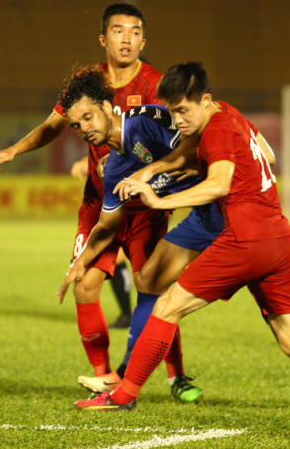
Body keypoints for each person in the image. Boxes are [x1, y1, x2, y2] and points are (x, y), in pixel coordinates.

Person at [74, 62, 290, 416]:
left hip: (244, 239)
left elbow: (219, 183)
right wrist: (157, 168)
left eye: (182, 111)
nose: (176, 120)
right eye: (173, 112)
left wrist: (158, 200)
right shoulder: (227, 114)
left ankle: (124, 395)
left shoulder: (216, 131)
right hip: (276, 237)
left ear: (205, 100)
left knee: (165, 308)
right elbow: (262, 155)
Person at [56, 67, 203, 401]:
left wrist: (151, 172)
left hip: (230, 208)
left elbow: (196, 150)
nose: (84, 129)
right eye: (76, 125)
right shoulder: (114, 169)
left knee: (288, 284)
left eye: (88, 118)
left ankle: (153, 377)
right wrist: (80, 262)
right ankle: (121, 379)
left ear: (109, 108)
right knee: (153, 289)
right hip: (205, 217)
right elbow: (106, 225)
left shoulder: (147, 119)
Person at [71, 155, 132, 329]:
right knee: (118, 256)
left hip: (137, 199)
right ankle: (129, 315)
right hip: (116, 200)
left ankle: (135, 315)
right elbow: (102, 150)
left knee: (138, 261)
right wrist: (84, 162)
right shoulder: (101, 145)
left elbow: (119, 148)